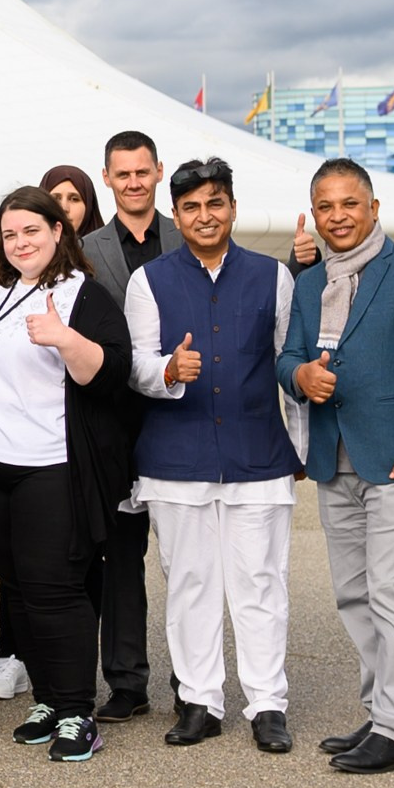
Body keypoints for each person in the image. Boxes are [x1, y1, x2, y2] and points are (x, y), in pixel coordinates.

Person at [277, 157, 394, 775]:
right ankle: (380, 711)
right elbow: (289, 357)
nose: (338, 217)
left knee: (391, 589)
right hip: (334, 459)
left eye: (349, 204)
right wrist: (300, 376)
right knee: (353, 593)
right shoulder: (308, 282)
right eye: (325, 207)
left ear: (374, 208)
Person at [125, 157, 302, 755]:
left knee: (260, 581)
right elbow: (136, 364)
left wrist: (297, 447)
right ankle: (199, 700)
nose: (206, 216)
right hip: (177, 457)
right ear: (177, 214)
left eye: (216, 203)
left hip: (258, 456)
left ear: (232, 207)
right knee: (190, 584)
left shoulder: (273, 276)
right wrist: (169, 370)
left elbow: (286, 362)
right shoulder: (148, 280)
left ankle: (267, 704)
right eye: (193, 207)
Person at [0, 187, 135, 762]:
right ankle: (51, 699)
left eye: (31, 230)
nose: (20, 242)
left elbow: (110, 373)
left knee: (55, 589)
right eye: (10, 234)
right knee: (20, 587)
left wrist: (64, 338)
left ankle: (79, 710)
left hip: (49, 465)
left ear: (59, 231)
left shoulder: (83, 295)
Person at [76, 131, 175, 723]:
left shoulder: (187, 236)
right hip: (114, 428)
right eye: (123, 173)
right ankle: (128, 683)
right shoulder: (87, 249)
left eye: (143, 172)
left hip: (180, 417)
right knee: (121, 560)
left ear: (158, 173)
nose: (134, 182)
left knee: (190, 562)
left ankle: (195, 682)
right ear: (108, 178)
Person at [40, 165, 105, 240]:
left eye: (74, 199)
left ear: (89, 207)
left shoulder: (110, 250)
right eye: (55, 199)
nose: (64, 208)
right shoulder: (26, 247)